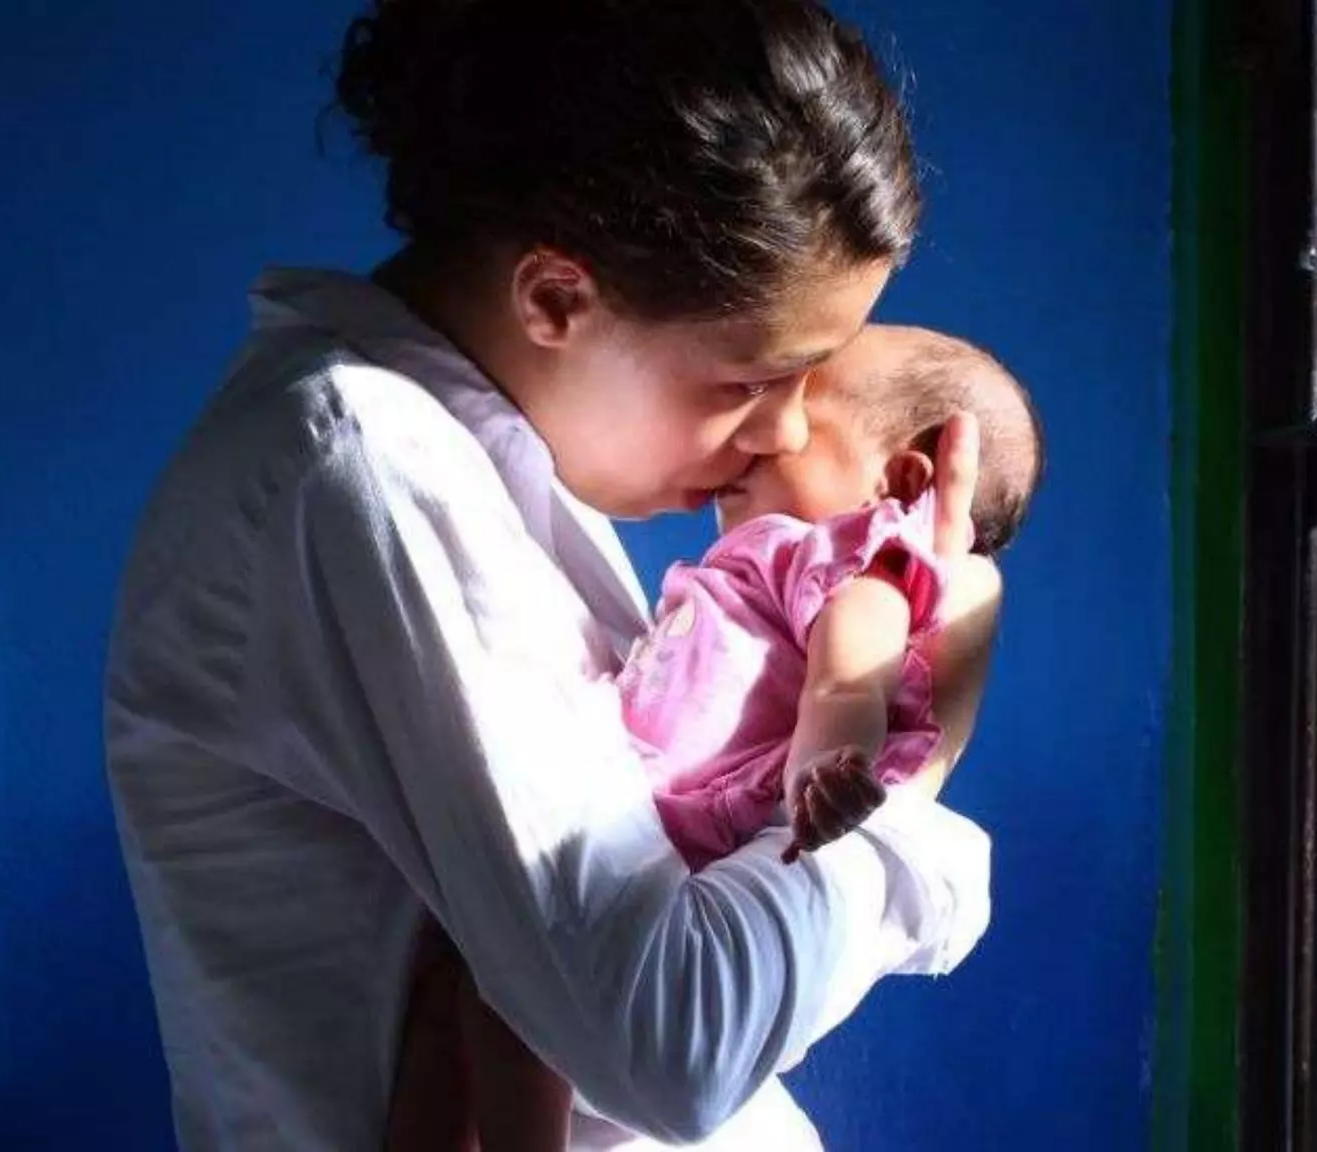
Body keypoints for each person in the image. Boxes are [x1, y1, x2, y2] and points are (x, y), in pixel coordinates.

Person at [103, 2, 1005, 1147]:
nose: (783, 436)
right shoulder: (371, 476)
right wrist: (913, 779)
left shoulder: (489, 469)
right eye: (749, 380)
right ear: (554, 300)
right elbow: (671, 1046)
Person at [386, 326, 1043, 1149]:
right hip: (648, 814)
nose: (761, 427)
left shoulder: (854, 560)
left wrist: (828, 768)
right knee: (470, 991)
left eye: (800, 403)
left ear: (899, 479)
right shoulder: (763, 559)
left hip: (696, 829)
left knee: (498, 1002)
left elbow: (850, 680)